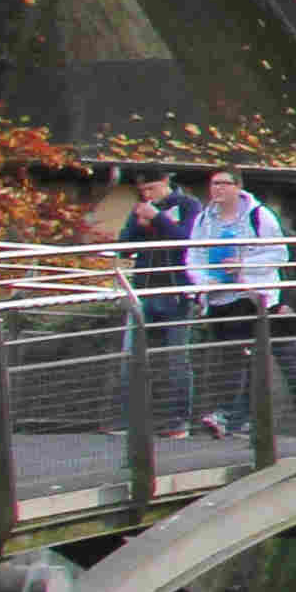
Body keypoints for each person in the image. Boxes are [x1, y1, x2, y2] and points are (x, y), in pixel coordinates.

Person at [182, 169, 296, 439]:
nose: (217, 189)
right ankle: (233, 418)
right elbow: (194, 255)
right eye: (213, 183)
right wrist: (203, 281)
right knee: (229, 357)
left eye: (224, 183)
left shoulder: (259, 215)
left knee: (262, 357)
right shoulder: (205, 219)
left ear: (238, 187)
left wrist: (245, 266)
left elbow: (279, 254)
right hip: (219, 297)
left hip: (255, 297)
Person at [120, 179, 201, 430]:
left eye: (151, 188)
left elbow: (185, 240)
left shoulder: (188, 205)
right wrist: (139, 224)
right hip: (144, 290)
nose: (147, 194)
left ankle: (179, 420)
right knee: (130, 356)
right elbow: (124, 247)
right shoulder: (142, 207)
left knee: (177, 358)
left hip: (176, 292)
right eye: (143, 190)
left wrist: (158, 218)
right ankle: (129, 418)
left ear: (165, 183)